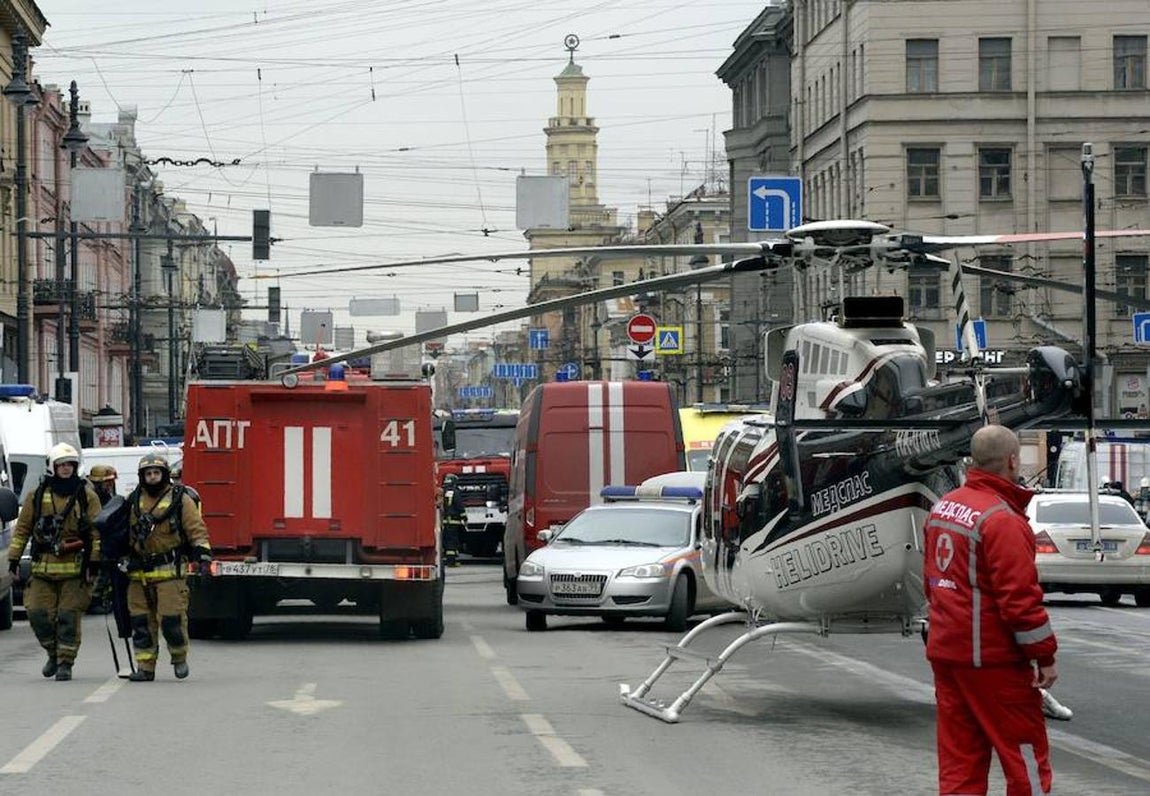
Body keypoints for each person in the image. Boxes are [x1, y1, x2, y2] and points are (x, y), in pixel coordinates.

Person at [923, 424, 1058, 796]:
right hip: (993, 661)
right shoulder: (1003, 520)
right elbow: (1019, 602)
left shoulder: (943, 508)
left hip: (948, 654)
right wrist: (1044, 655)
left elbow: (931, 581)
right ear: (1013, 461)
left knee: (960, 762)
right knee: (1025, 756)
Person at [6, 443, 101, 681]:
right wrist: (14, 560)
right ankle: (53, 652)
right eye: (61, 465)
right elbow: (23, 530)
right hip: (42, 569)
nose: (66, 469)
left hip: (74, 570)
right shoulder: (37, 495)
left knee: (68, 617)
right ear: (53, 467)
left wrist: (94, 563)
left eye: (70, 465)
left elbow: (97, 533)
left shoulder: (86, 496)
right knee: (37, 614)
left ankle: (65, 663)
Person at [123, 453, 211, 682]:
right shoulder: (132, 501)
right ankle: (145, 666)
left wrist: (203, 556)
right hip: (138, 573)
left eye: (156, 473)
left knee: (171, 620)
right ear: (142, 476)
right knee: (141, 622)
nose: (153, 477)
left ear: (164, 475)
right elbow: (122, 533)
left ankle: (179, 658)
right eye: (148, 473)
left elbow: (196, 529)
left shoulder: (180, 499)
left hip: (170, 571)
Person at [440, 473, 465, 566]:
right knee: (452, 542)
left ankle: (447, 560)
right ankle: (452, 562)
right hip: (453, 520)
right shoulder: (455, 492)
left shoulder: (441, 491)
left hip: (444, 521)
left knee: (446, 541)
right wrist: (464, 517)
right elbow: (459, 505)